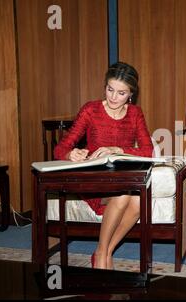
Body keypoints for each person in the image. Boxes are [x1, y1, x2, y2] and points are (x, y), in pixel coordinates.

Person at [54, 62, 153, 270]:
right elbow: (61, 147)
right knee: (125, 194)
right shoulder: (91, 110)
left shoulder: (135, 113)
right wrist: (70, 153)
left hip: (121, 178)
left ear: (131, 94)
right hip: (94, 180)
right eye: (110, 89)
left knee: (137, 200)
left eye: (121, 93)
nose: (113, 97)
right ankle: (102, 257)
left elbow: (147, 151)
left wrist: (118, 149)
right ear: (105, 86)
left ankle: (103, 251)